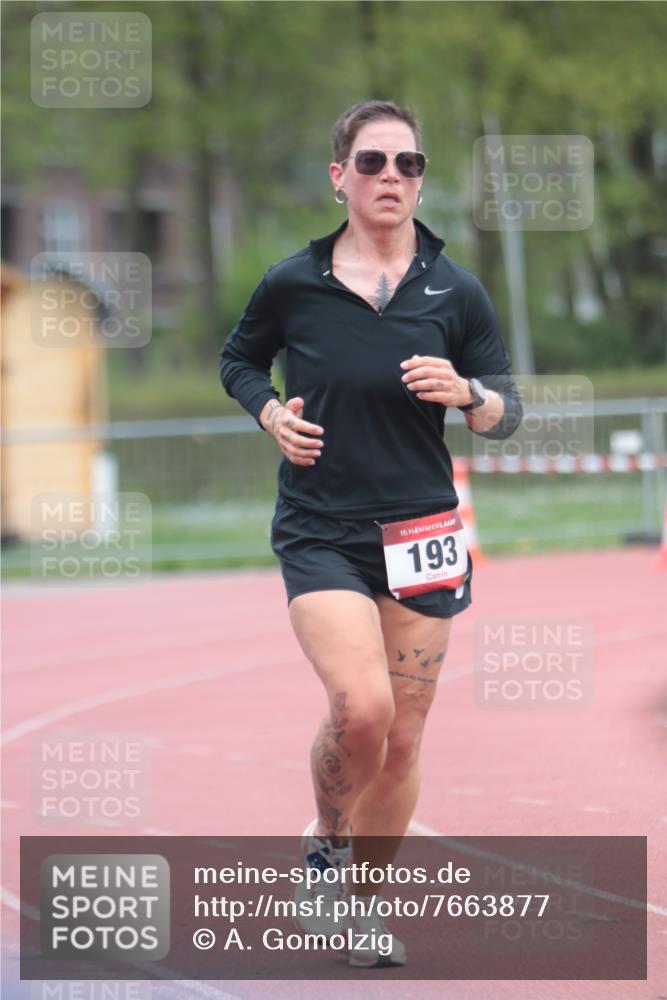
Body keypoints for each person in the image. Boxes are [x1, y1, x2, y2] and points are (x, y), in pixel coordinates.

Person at [219, 99, 522, 968]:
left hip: (422, 527)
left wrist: (466, 392)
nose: (393, 177)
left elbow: (505, 413)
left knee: (406, 734)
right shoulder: (292, 283)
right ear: (339, 176)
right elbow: (238, 359)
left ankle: (360, 906)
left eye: (409, 164)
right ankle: (324, 843)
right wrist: (270, 412)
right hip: (322, 528)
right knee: (363, 709)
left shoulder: (453, 289)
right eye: (375, 162)